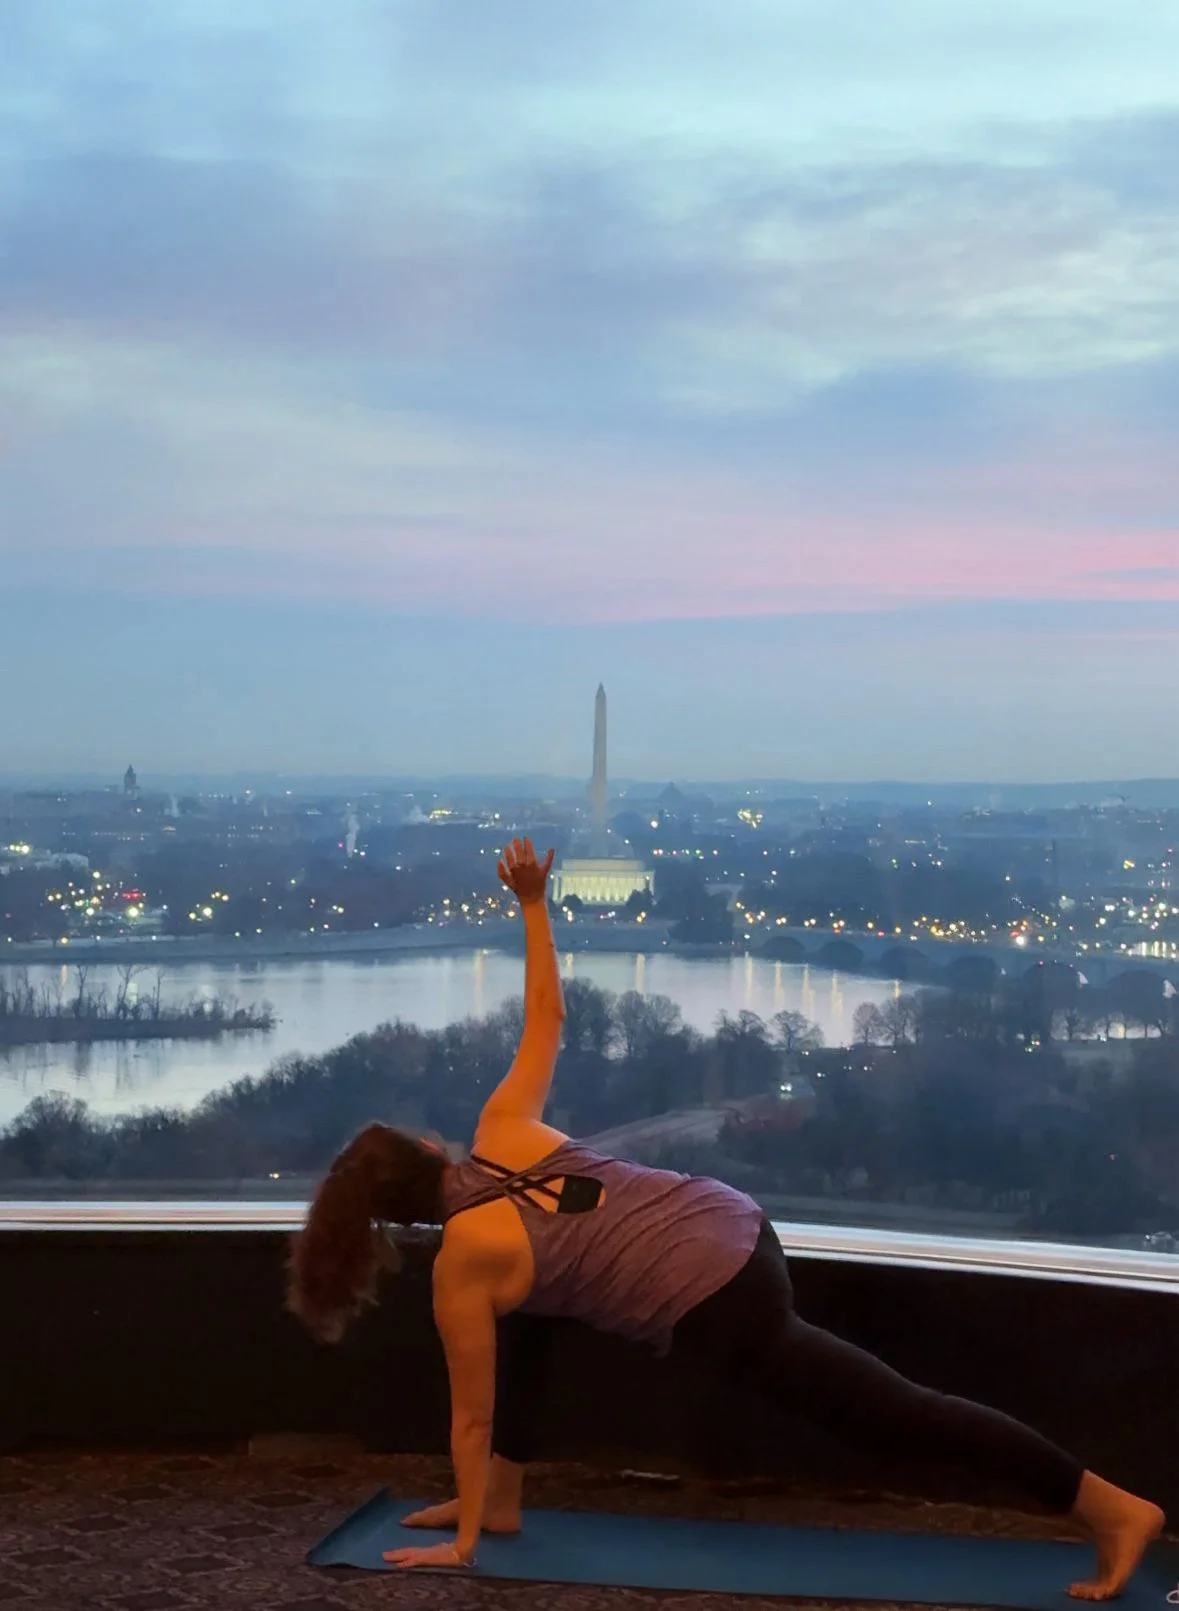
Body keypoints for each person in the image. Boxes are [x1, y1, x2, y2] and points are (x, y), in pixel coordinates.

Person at [288, 838, 1165, 1596]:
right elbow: (548, 1015)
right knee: (531, 1314)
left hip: (717, 1297)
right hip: (729, 1218)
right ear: (427, 1151)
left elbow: (469, 1417)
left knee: (893, 1411)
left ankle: (1108, 1505)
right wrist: (531, 904)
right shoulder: (502, 1130)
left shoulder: (461, 1266)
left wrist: (461, 1547)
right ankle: (504, 1498)